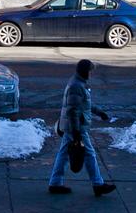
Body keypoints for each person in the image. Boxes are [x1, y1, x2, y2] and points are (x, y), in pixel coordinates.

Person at [48, 59, 115, 196]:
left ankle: (55, 183)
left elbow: (84, 105)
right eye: (90, 71)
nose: (91, 74)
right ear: (85, 71)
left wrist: (99, 112)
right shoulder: (76, 86)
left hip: (72, 126)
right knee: (89, 154)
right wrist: (77, 132)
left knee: (64, 154)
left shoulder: (79, 83)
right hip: (76, 127)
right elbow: (73, 111)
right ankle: (98, 184)